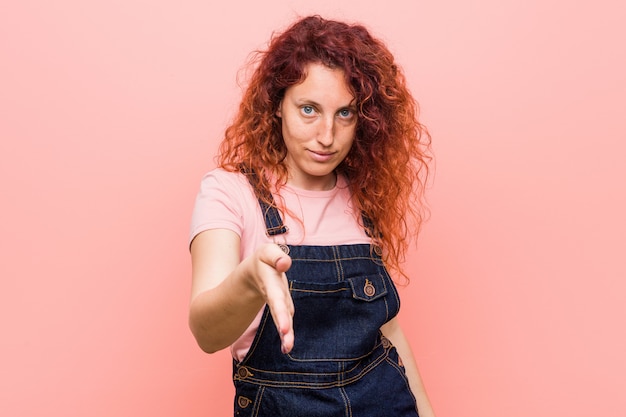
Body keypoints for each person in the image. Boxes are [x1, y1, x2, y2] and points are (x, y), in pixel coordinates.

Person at [188, 15, 435, 417]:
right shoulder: (230, 192)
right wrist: (250, 279)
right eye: (308, 109)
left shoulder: (362, 194)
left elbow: (385, 328)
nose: (326, 135)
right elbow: (205, 332)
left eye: (345, 114)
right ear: (277, 106)